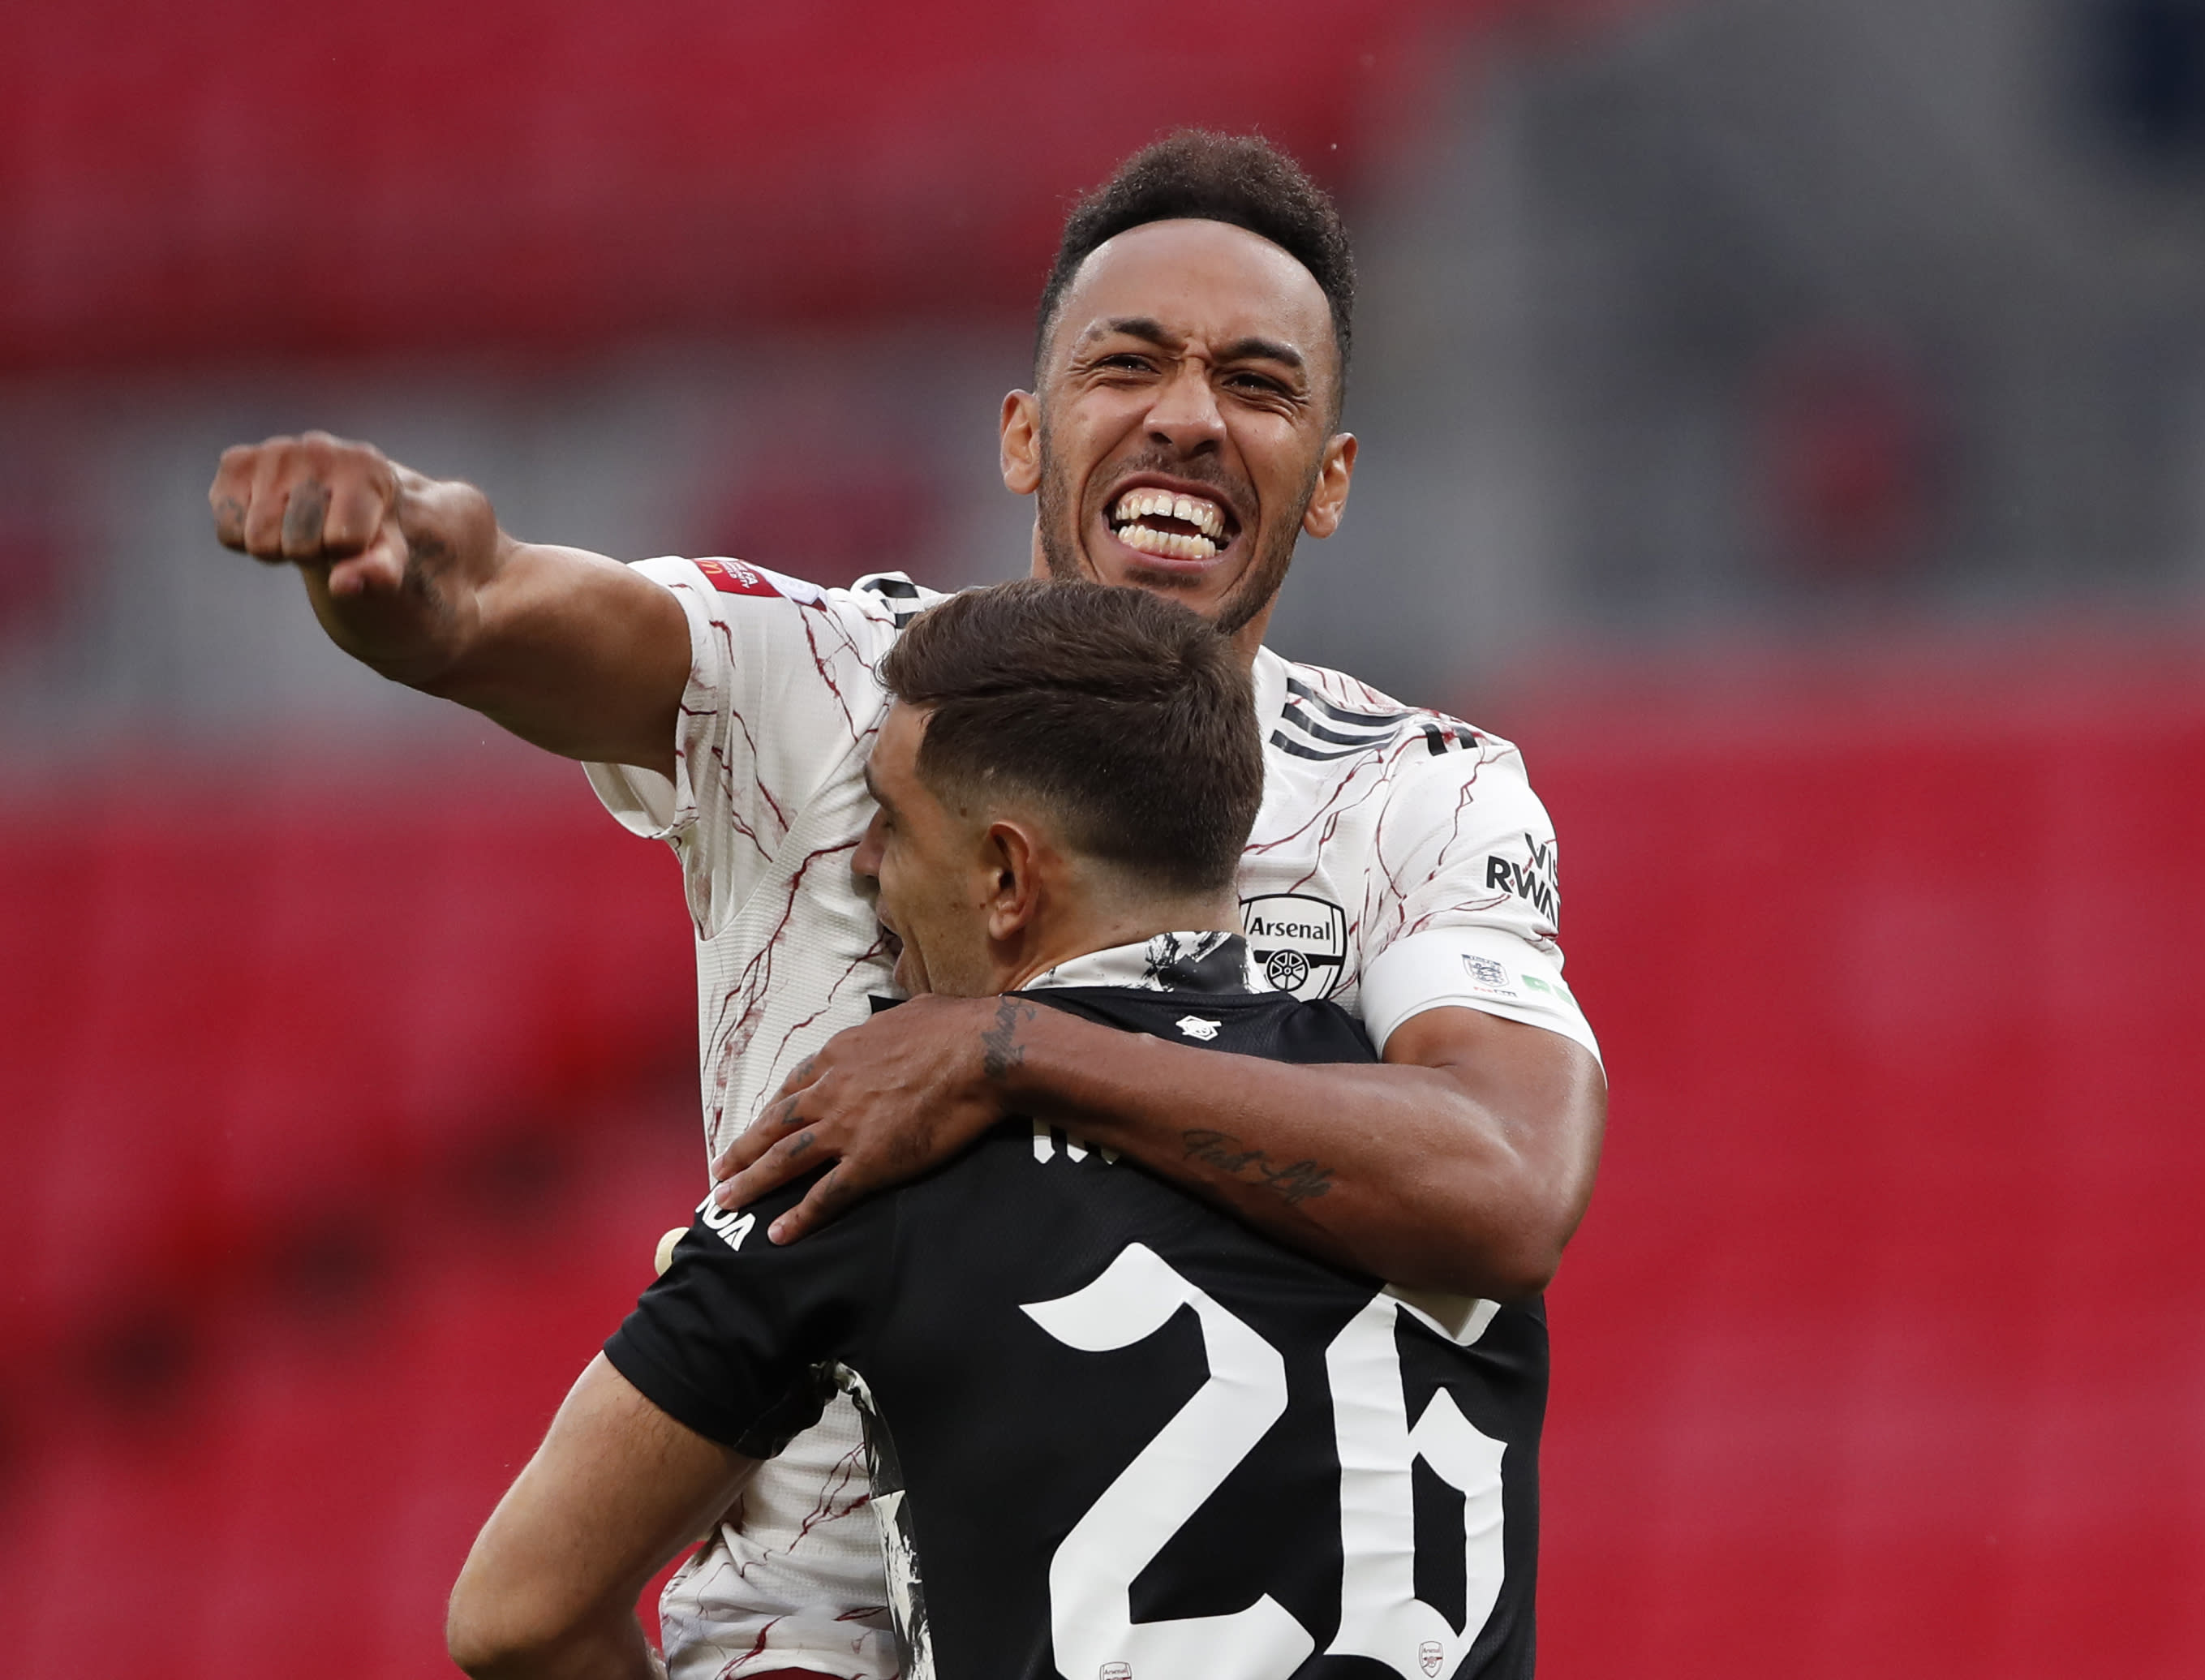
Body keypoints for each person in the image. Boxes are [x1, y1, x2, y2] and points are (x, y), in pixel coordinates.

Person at [209, 131, 1604, 1680]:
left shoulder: (1421, 789)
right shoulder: (826, 682)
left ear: (1332, 479)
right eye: (1127, 363)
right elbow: (517, 615)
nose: (1191, 418)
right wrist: (427, 585)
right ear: (1023, 433)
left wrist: (1002, 1049)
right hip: (802, 1636)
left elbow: (1511, 1183)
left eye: (1260, 386)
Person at [445, 581, 1545, 1680]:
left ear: (1008, 877)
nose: (866, 859)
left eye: (891, 818)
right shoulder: (1432, 1160)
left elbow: (516, 1616)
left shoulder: (863, 1158)